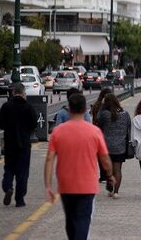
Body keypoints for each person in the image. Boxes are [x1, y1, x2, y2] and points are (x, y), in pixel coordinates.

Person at [45, 93, 115, 240]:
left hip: (66, 185)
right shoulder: (94, 131)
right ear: (85, 110)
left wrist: (48, 185)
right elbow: (105, 159)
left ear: (69, 109)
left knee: (70, 220)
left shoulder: (58, 131)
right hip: (87, 185)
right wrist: (109, 175)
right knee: (83, 219)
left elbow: (50, 159)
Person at [0, 83, 37, 207]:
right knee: (22, 172)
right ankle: (20, 199)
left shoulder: (6, 106)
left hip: (9, 143)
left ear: (13, 93)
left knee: (9, 168)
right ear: (24, 93)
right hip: (24, 143)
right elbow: (34, 124)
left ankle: (8, 187)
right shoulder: (28, 107)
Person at [96, 94, 131, 198]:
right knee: (118, 169)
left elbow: (98, 119)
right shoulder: (125, 114)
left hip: (107, 146)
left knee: (108, 168)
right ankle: (116, 192)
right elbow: (129, 127)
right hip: (120, 146)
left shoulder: (105, 114)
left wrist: (102, 106)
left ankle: (110, 185)